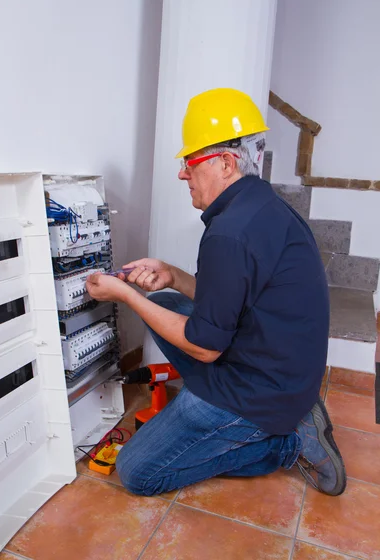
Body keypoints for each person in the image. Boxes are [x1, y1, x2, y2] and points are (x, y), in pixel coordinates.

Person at [86, 88, 346, 497]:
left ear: (224, 162)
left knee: (137, 473)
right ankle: (276, 413)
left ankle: (289, 442)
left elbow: (205, 348)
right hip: (285, 371)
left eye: (190, 162)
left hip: (258, 390)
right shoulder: (260, 206)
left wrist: (125, 296)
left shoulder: (231, 233)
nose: (182, 173)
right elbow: (240, 295)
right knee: (167, 301)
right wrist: (171, 275)